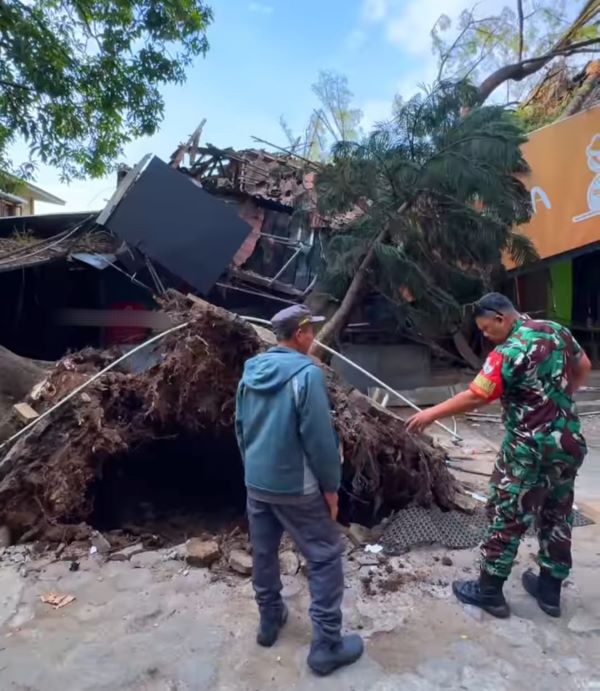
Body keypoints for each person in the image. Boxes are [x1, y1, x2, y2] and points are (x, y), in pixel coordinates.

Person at [407, 293, 591, 619]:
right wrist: (555, 402)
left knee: (506, 515)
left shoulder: (506, 353)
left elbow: (478, 395)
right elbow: (583, 366)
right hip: (567, 444)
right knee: (557, 513)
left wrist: (431, 414)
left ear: (501, 318)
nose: (485, 335)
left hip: (527, 451)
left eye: (486, 329)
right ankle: (550, 591)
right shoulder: (555, 331)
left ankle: (489, 591)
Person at [235, 304, 364, 676]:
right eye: (312, 331)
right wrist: (331, 487)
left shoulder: (250, 372)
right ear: (302, 333)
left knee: (264, 552)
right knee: (324, 556)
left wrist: (253, 471)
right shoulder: (307, 374)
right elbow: (320, 440)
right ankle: (326, 646)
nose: (314, 337)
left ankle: (269, 621)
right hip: (297, 486)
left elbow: (240, 427)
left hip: (257, 482)